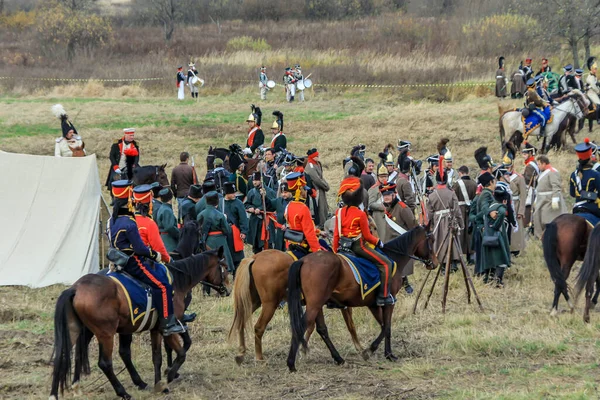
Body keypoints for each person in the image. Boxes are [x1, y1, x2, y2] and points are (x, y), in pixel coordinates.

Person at [108, 180, 184, 336]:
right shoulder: (129, 222)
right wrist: (155, 255)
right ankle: (167, 323)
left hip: (116, 262)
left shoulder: (111, 220)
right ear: (128, 199)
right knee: (163, 286)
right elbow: (140, 249)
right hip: (132, 262)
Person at [334, 172, 394, 306]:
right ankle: (383, 296)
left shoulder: (338, 212)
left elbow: (336, 235)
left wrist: (334, 252)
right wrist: (379, 242)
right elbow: (367, 236)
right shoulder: (360, 214)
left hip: (341, 246)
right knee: (386, 264)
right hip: (358, 246)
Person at [381, 182, 417, 294]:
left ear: (394, 194)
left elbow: (413, 226)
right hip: (389, 241)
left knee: (401, 266)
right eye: (384, 195)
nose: (386, 197)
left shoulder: (403, 208)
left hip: (401, 243)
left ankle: (405, 283)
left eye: (389, 194)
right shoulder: (386, 207)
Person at [427, 168, 463, 272]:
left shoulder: (432, 195)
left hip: (438, 221)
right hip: (450, 219)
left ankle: (442, 264)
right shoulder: (451, 193)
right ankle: (453, 263)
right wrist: (461, 224)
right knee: (451, 240)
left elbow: (429, 214)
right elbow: (457, 210)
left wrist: (430, 225)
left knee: (439, 240)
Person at [283, 172, 322, 254]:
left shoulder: (289, 205)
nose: (306, 192)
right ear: (300, 191)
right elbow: (309, 233)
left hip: (291, 242)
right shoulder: (303, 208)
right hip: (302, 244)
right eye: (305, 189)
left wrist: (319, 232)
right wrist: (317, 251)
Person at [481, 185, 511, 287]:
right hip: (497, 236)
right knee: (501, 258)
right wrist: (495, 226)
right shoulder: (501, 208)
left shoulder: (490, 207)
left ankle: (487, 278)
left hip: (487, 236)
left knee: (489, 258)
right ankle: (498, 280)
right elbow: (501, 215)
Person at [133, 184, 171, 263]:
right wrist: (169, 260)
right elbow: (159, 249)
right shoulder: (149, 223)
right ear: (150, 203)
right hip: (143, 262)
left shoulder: (129, 219)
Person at [533, 155, 567, 239]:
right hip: (542, 199)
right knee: (537, 217)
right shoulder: (544, 172)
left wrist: (555, 199)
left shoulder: (552, 172)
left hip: (548, 200)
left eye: (539, 164)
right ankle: (540, 236)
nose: (538, 166)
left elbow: (556, 187)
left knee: (547, 219)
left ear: (544, 163)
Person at [245, 172, 277, 254]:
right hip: (255, 221)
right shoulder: (251, 192)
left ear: (261, 180)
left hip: (267, 220)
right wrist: (250, 208)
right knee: (256, 244)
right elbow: (247, 204)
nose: (254, 182)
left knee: (268, 243)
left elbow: (272, 205)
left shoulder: (270, 192)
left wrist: (260, 209)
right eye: (253, 180)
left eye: (256, 180)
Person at [471, 172, 495, 276]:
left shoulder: (485, 193)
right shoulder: (486, 194)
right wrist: (491, 212)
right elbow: (485, 209)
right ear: (490, 182)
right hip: (483, 226)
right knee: (484, 251)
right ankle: (483, 273)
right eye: (494, 182)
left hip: (481, 226)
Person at [570, 138, 600, 224]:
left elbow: (572, 193)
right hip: (592, 206)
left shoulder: (573, 174)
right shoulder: (595, 174)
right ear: (591, 157)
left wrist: (583, 194)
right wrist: (594, 196)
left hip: (577, 206)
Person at [452, 165, 477, 262]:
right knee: (470, 232)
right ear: (468, 172)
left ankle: (458, 256)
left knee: (460, 233)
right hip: (472, 209)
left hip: (460, 210)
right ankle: (471, 256)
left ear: (460, 173)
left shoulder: (457, 184)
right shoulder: (474, 184)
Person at [223, 182, 248, 274]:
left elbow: (243, 219)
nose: (234, 195)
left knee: (237, 256)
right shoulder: (221, 203)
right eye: (232, 193)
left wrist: (244, 231)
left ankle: (237, 274)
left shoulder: (238, 203)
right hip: (224, 232)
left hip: (235, 232)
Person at [304, 148, 330, 228]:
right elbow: (316, 179)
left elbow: (321, 177)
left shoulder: (316, 164)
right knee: (320, 207)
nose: (318, 157)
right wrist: (326, 186)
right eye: (316, 156)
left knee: (323, 206)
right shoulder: (310, 166)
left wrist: (326, 185)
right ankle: (321, 224)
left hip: (320, 188)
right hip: (316, 189)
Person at [154, 187, 180, 254]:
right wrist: (179, 234)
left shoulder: (162, 207)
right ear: (171, 197)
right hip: (169, 241)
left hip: (164, 239)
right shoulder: (166, 210)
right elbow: (169, 227)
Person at [368, 164, 389, 236]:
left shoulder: (390, 186)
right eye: (381, 177)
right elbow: (370, 204)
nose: (384, 178)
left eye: (385, 176)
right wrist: (382, 207)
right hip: (378, 217)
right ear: (378, 177)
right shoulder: (373, 189)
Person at [521, 142, 539, 228]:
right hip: (532, 188)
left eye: (525, 154)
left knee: (528, 206)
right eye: (523, 154)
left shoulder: (530, 166)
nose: (523, 156)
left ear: (530, 154)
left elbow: (527, 180)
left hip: (530, 189)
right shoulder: (532, 163)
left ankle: (528, 224)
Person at [587, 57, 600, 123]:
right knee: (599, 104)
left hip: (595, 91)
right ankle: (598, 119)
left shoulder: (594, 76)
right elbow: (593, 86)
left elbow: (596, 84)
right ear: (591, 69)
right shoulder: (590, 77)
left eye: (596, 68)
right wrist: (598, 92)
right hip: (591, 93)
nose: (596, 70)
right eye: (595, 69)